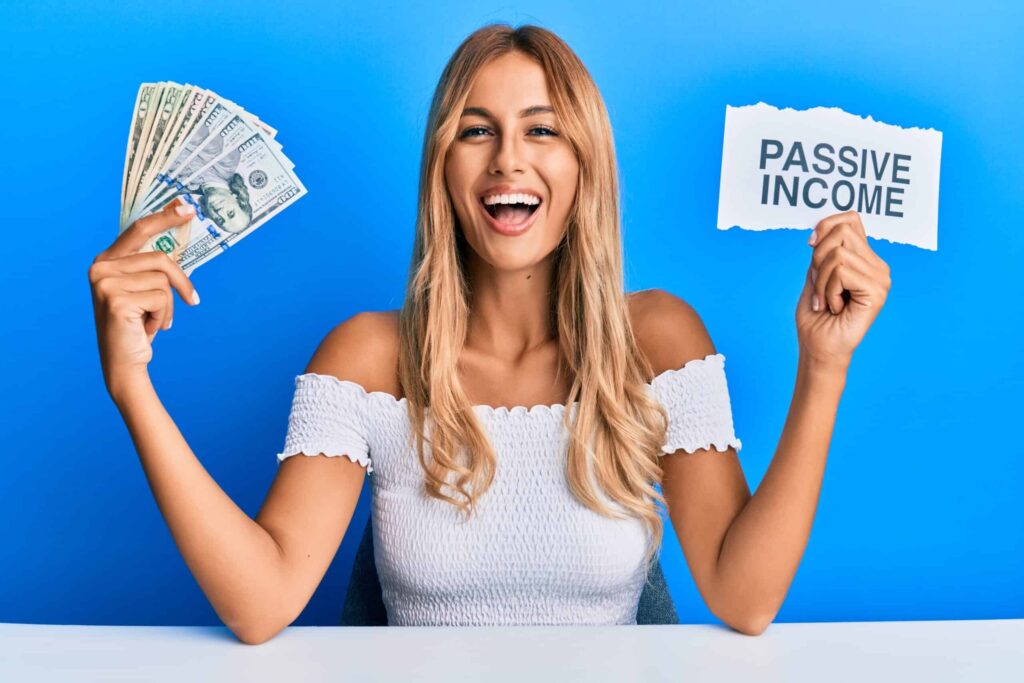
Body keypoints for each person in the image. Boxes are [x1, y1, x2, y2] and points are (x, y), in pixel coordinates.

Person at [87, 23, 891, 645]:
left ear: (585, 165)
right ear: (443, 165)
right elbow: (262, 604)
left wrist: (824, 365)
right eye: (476, 131)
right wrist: (133, 387)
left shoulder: (659, 339)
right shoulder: (368, 358)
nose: (508, 159)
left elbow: (743, 598)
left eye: (541, 130)